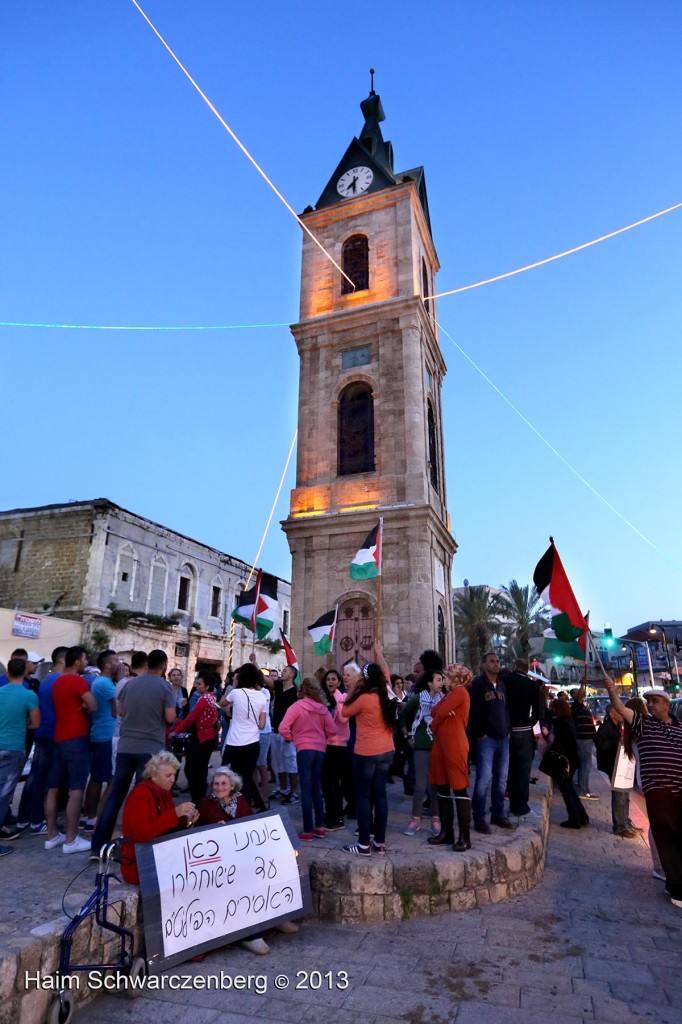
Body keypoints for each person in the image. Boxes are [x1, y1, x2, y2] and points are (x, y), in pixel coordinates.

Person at [196, 766, 300, 955]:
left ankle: (277, 916)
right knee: (244, 882)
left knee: (274, 866)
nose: (219, 787)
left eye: (223, 783)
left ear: (232, 786)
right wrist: (213, 829)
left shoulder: (240, 800)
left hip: (244, 855)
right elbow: (198, 833)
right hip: (220, 863)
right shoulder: (206, 804)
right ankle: (251, 935)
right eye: (216, 784)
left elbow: (252, 826)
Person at [603, 677, 682, 907]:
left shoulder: (679, 728)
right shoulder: (643, 723)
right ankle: (677, 889)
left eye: (655, 701)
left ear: (667, 704)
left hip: (679, 789)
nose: (651, 705)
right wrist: (611, 690)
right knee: (666, 837)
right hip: (658, 790)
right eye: (648, 701)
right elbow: (619, 708)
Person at [90, 649, 175, 858]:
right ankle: (137, 846)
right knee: (142, 798)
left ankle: (98, 845)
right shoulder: (165, 687)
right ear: (163, 666)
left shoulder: (129, 684)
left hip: (126, 746)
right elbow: (170, 717)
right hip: (150, 750)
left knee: (115, 794)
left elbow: (119, 710)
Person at [45, 646, 97, 854]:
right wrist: (85, 706)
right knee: (76, 788)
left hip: (59, 737)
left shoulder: (56, 681)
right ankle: (71, 838)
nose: (86, 662)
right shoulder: (77, 680)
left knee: (53, 787)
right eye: (84, 659)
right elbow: (93, 704)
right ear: (77, 662)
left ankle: (51, 835)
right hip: (76, 738)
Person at [340, 661, 395, 856]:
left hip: (367, 752)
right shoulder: (386, 693)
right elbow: (387, 673)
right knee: (380, 795)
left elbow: (345, 712)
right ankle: (379, 842)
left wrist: (352, 690)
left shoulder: (364, 697)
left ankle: (363, 844)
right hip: (387, 749)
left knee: (363, 797)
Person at [120, 751, 197, 884]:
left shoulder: (163, 793)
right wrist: (175, 813)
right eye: (168, 775)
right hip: (140, 864)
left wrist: (187, 819)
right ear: (154, 775)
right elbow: (142, 834)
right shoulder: (141, 794)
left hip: (158, 855)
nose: (173, 779)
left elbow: (168, 824)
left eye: (174, 775)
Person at [15, 645, 67, 835]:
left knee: (35, 778)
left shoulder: (46, 680)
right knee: (42, 779)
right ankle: (36, 821)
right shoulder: (58, 680)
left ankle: (24, 819)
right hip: (52, 734)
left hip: (43, 733)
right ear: (63, 660)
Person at [279, 677, 336, 841]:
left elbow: (283, 728)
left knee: (305, 789)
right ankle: (319, 827)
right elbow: (332, 731)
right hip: (320, 750)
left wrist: (292, 738)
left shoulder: (296, 707)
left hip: (304, 749)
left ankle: (307, 830)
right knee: (316, 788)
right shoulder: (323, 709)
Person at [428, 664, 473, 851]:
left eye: (446, 676)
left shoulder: (460, 693)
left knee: (459, 788)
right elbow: (435, 711)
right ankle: (446, 832)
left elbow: (438, 712)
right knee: (442, 787)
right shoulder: (449, 695)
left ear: (454, 678)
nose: (443, 680)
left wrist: (440, 717)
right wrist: (442, 715)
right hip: (441, 744)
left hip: (454, 744)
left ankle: (465, 836)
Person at [469, 652, 515, 833]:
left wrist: (509, 729)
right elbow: (473, 711)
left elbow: (506, 709)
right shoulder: (478, 685)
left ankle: (498, 814)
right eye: (491, 661)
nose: (496, 664)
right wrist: (479, 732)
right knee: (483, 779)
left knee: (501, 779)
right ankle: (479, 817)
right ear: (484, 664)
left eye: (497, 661)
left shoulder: (502, 686)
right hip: (486, 739)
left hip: (503, 738)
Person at [0, 658, 40, 853]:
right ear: (24, 671)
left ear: (8, 673)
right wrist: (21, 725)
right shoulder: (29, 695)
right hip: (14, 747)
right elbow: (35, 723)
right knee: (4, 795)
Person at [399, 669, 444, 836]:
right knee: (420, 785)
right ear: (430, 683)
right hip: (421, 745)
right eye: (438, 680)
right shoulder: (418, 699)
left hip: (438, 745)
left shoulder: (443, 700)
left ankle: (435, 818)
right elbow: (402, 715)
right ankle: (415, 818)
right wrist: (407, 736)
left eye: (442, 680)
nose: (441, 683)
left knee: (435, 784)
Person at [220, 662, 269, 811]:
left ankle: (224, 806)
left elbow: (221, 703)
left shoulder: (235, 693)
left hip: (235, 743)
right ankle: (245, 809)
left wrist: (233, 686)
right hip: (253, 743)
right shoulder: (262, 697)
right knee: (246, 779)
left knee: (226, 776)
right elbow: (261, 725)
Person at [82, 650, 119, 831]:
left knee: (97, 777)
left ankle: (89, 814)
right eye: (115, 660)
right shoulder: (105, 684)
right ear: (107, 665)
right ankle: (93, 817)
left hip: (101, 733)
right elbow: (118, 708)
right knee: (104, 777)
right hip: (106, 735)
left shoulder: (101, 682)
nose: (119, 662)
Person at [173, 672, 218, 806]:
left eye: (199, 684)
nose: (196, 686)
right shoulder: (212, 698)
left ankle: (196, 798)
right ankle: (200, 798)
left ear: (207, 686)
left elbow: (192, 717)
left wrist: (176, 730)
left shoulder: (204, 699)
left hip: (202, 737)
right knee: (201, 768)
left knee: (191, 768)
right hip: (209, 736)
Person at [505, 658, 542, 817]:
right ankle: (520, 805)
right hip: (524, 730)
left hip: (506, 730)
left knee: (507, 768)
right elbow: (539, 711)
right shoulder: (532, 685)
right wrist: (529, 723)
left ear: (514, 666)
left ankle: (504, 799)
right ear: (527, 670)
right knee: (523, 769)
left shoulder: (504, 681)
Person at [595, 704, 638, 839]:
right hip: (612, 764)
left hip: (620, 764)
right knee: (619, 796)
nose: (621, 715)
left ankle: (626, 822)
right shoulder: (606, 727)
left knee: (625, 795)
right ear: (612, 713)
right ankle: (619, 826)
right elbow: (600, 744)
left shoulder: (617, 725)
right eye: (619, 712)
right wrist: (617, 742)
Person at [549, 699, 589, 829]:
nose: (551, 710)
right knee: (569, 789)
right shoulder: (569, 720)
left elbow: (559, 742)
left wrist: (546, 735)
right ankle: (582, 816)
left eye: (552, 708)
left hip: (565, 761)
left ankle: (574, 818)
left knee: (566, 790)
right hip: (571, 759)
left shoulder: (560, 722)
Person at [320, 669, 350, 831]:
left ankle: (336, 818)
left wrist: (337, 702)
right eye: (328, 679)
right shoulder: (324, 699)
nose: (330, 682)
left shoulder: (342, 698)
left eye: (333, 679)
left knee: (333, 783)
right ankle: (330, 813)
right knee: (326, 783)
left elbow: (344, 718)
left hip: (338, 745)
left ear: (339, 682)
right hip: (325, 744)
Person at [270, 665, 300, 804]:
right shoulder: (278, 687)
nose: (282, 672)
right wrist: (255, 663)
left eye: (286, 671)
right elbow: (265, 680)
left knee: (291, 762)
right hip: (275, 729)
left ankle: (294, 792)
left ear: (292, 675)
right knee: (278, 763)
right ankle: (283, 789)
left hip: (289, 732)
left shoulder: (296, 692)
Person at [570, 684, 598, 800]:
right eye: (578, 693)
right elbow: (581, 696)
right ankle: (583, 791)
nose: (582, 693)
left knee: (585, 765)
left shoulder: (581, 707)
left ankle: (584, 789)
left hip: (586, 738)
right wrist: (582, 684)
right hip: (583, 738)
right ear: (574, 696)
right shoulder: (577, 706)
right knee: (585, 765)